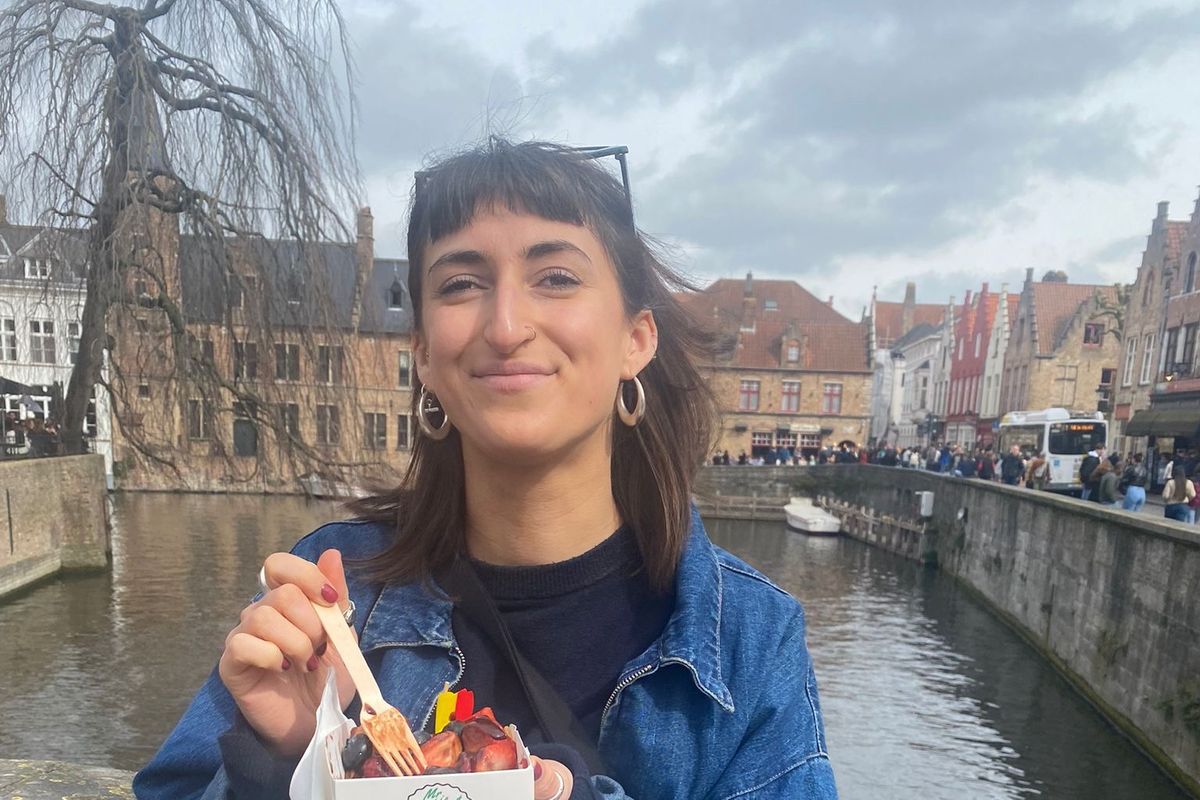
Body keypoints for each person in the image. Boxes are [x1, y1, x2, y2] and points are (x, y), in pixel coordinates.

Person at [133, 141, 836, 800]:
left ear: (635, 339)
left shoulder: (747, 636)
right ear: (425, 356)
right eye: (463, 284)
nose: (506, 326)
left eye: (555, 278)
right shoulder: (331, 593)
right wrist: (289, 759)